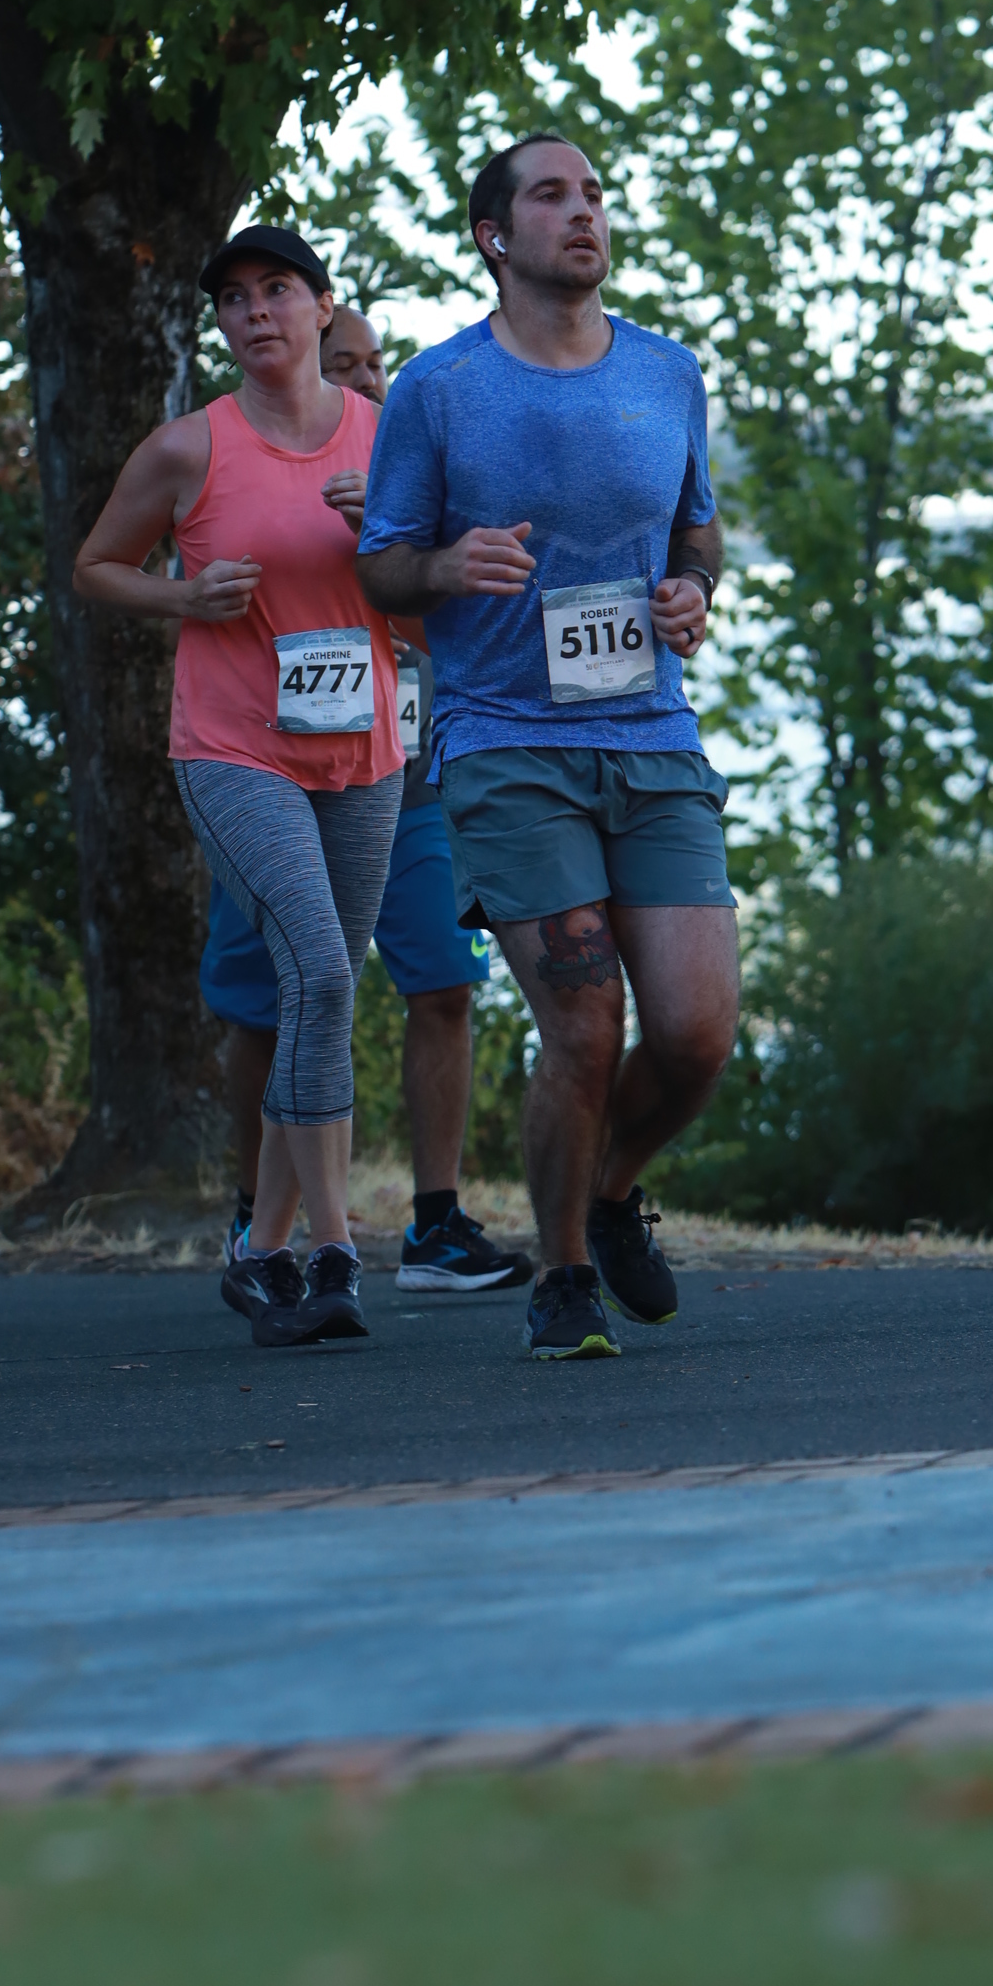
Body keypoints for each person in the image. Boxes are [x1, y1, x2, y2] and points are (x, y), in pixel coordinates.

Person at [358, 134, 738, 1360]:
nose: (584, 213)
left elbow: (697, 534)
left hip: (651, 737)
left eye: (594, 195)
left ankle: (611, 1189)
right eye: (551, 195)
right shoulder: (437, 388)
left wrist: (691, 593)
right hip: (505, 739)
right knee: (582, 1020)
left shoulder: (667, 372)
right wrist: (443, 566)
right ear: (493, 236)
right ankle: (563, 1273)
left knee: (695, 1033)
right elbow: (380, 566)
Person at [73, 225, 403, 1349]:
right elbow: (95, 567)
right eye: (233, 298)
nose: (255, 312)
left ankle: (260, 1251)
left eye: (277, 291)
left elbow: (427, 611)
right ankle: (334, 1248)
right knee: (318, 970)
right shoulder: (188, 446)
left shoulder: (387, 437)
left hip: (364, 754)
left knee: (324, 995)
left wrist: (387, 542)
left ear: (323, 307)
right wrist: (184, 596)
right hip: (232, 750)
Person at [200, 306, 533, 1294]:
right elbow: (213, 622)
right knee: (265, 1004)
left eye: (376, 364)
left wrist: (391, 560)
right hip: (274, 783)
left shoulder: (414, 475)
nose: (367, 381)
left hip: (407, 782)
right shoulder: (244, 466)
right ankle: (255, 1221)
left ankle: (435, 1225)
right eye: (345, 364)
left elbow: (460, 632)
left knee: (444, 987)